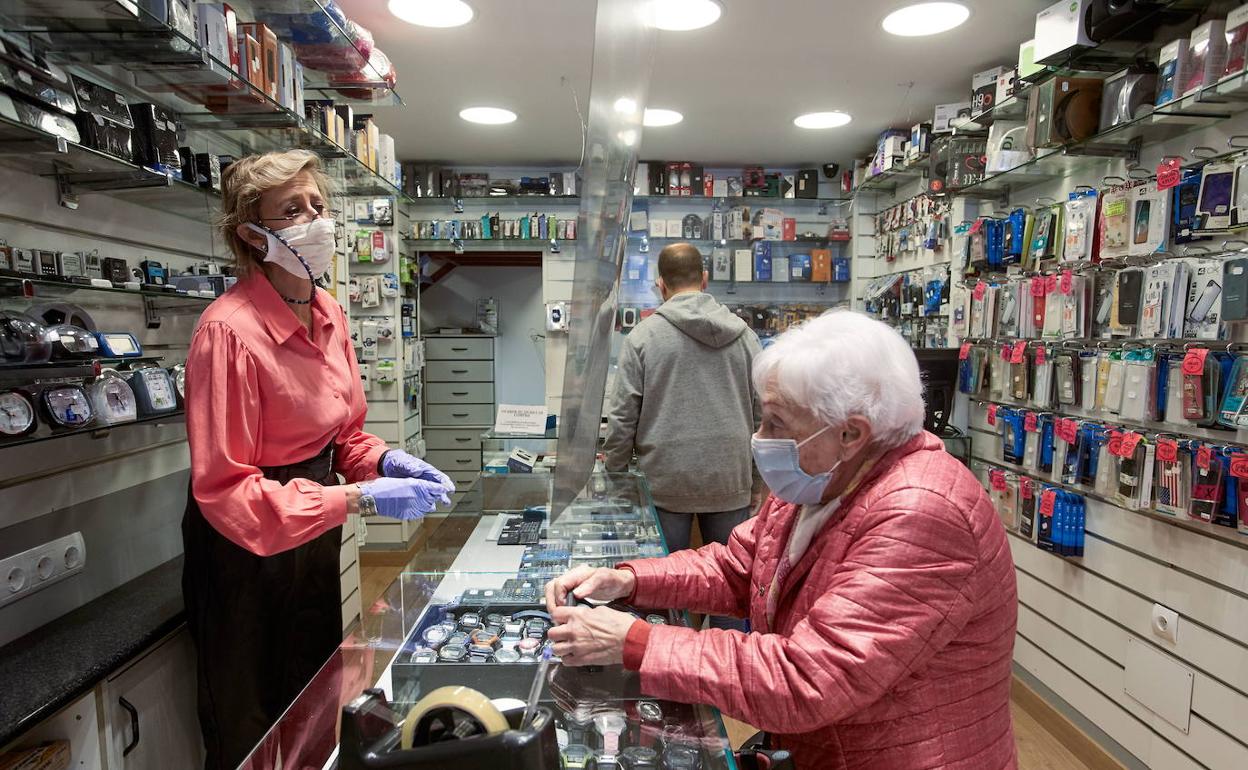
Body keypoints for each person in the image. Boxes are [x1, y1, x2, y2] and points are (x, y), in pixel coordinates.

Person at [546, 311, 1018, 770]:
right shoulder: (819, 481)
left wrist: (639, 641)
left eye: (776, 423)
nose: (760, 438)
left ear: (851, 433)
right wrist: (627, 580)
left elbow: (806, 680)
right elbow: (738, 568)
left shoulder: (922, 513)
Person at [182, 149, 455, 770]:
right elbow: (226, 491)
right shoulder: (228, 332)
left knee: (311, 699)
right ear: (253, 235)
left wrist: (387, 462)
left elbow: (344, 436)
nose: (316, 221)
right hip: (243, 548)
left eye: (319, 206)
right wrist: (355, 498)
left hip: (312, 530)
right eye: (292, 211)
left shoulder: (329, 313)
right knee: (249, 717)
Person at [602, 242, 761, 629]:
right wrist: (757, 481)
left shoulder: (643, 338)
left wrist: (617, 479)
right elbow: (763, 415)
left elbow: (623, 418)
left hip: (666, 481)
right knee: (732, 589)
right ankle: (726, 678)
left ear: (661, 285)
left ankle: (668, 676)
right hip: (729, 479)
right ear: (705, 279)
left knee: (664, 588)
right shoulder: (745, 337)